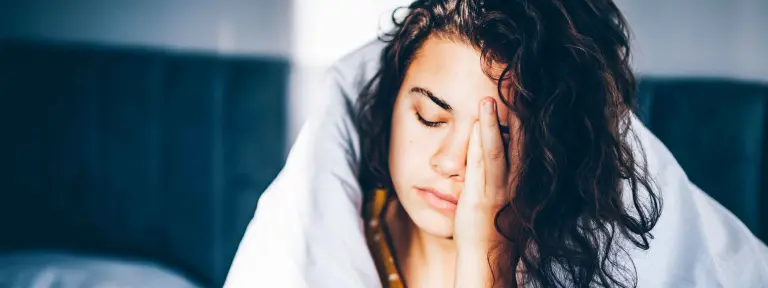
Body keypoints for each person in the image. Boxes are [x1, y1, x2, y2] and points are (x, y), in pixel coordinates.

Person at [224, 1, 768, 287]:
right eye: (430, 117)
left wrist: (487, 258)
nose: (451, 164)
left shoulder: (563, 252)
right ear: (389, 105)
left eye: (499, 138)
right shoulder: (318, 242)